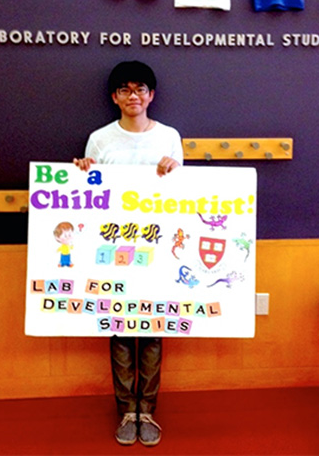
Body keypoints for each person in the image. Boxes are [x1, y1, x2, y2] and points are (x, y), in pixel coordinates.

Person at [74, 60, 183, 446]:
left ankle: (147, 411)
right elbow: (88, 190)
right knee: (119, 330)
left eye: (140, 89)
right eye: (124, 90)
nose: (132, 96)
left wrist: (176, 168)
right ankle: (126, 412)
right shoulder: (100, 139)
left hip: (158, 250)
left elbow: (183, 196)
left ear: (151, 95)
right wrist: (83, 170)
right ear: (114, 97)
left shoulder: (169, 136)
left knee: (153, 330)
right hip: (112, 249)